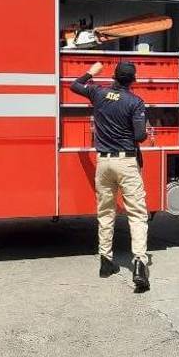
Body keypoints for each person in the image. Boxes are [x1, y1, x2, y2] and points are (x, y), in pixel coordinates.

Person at [70, 60, 150, 293]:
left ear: (114, 76)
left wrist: (90, 73)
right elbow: (140, 135)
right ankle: (139, 264)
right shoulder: (135, 102)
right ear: (132, 80)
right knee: (136, 213)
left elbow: (75, 86)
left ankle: (106, 261)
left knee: (105, 211)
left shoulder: (98, 92)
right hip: (125, 162)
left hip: (103, 162)